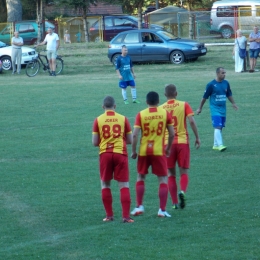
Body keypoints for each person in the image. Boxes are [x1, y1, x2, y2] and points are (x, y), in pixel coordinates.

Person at [131, 91, 174, 218]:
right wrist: (168, 148)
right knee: (162, 179)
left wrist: (133, 151)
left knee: (140, 177)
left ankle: (139, 206)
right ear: (158, 101)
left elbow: (134, 134)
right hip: (158, 150)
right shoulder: (165, 113)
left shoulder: (141, 114)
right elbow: (172, 134)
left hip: (144, 150)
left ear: (146, 102)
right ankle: (162, 209)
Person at [92, 96, 134, 223]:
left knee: (105, 184)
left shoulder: (98, 120)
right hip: (120, 153)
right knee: (124, 185)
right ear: (115, 106)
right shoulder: (123, 118)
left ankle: (109, 216)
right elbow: (130, 140)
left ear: (103, 107)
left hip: (105, 154)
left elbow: (94, 142)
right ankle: (126, 217)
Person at [160, 84, 200, 210]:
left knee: (171, 174)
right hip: (182, 142)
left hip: (168, 144)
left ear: (165, 95)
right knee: (184, 172)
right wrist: (197, 137)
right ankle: (182, 191)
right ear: (176, 93)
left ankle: (174, 203)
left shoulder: (161, 109)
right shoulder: (184, 105)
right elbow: (192, 121)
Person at [196, 67, 238, 151]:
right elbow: (204, 97)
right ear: (217, 74)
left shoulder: (226, 83)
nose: (224, 74)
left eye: (225, 73)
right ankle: (220, 145)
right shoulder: (211, 84)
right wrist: (200, 108)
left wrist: (233, 103)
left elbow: (229, 94)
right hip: (214, 109)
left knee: (220, 127)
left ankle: (215, 145)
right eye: (222, 73)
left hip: (223, 109)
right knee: (218, 126)